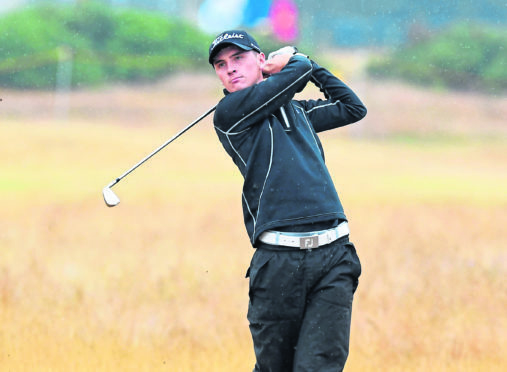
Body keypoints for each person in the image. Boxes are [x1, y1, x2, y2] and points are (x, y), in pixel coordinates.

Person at [208, 30, 367, 372]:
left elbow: (353, 107)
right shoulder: (229, 114)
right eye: (221, 65)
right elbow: (293, 77)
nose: (230, 69)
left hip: (334, 256)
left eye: (238, 58)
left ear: (261, 61)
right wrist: (298, 57)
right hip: (278, 264)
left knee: (319, 367)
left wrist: (313, 66)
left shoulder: (297, 112)